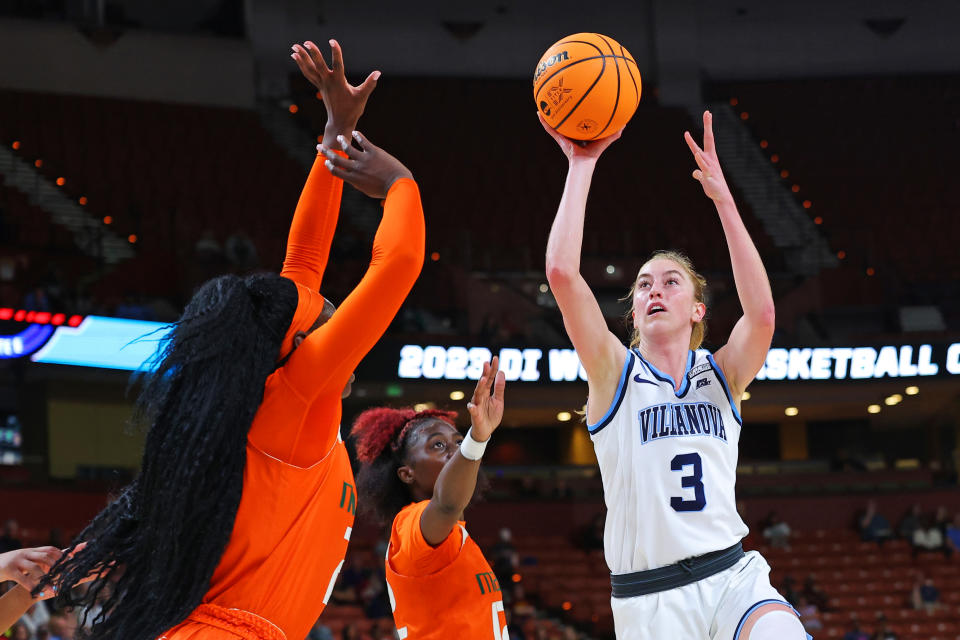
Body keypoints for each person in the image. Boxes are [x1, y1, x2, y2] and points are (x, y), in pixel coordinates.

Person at [36, 40, 425, 640]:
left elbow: (302, 263)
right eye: (328, 313)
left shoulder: (282, 392)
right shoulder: (297, 400)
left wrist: (334, 139)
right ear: (297, 347)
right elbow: (395, 265)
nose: (335, 310)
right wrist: (402, 185)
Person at [540, 110, 804, 639]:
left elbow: (764, 316)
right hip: (651, 600)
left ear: (699, 310)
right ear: (633, 311)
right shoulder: (614, 374)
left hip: (733, 577)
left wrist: (725, 201)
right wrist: (581, 163)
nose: (654, 290)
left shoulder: (721, 375)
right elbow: (562, 274)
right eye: (642, 285)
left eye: (671, 282)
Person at [350, 357, 507, 639]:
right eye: (438, 445)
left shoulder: (455, 536)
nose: (455, 450)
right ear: (406, 474)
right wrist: (477, 440)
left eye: (459, 442)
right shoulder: (409, 524)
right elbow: (447, 504)